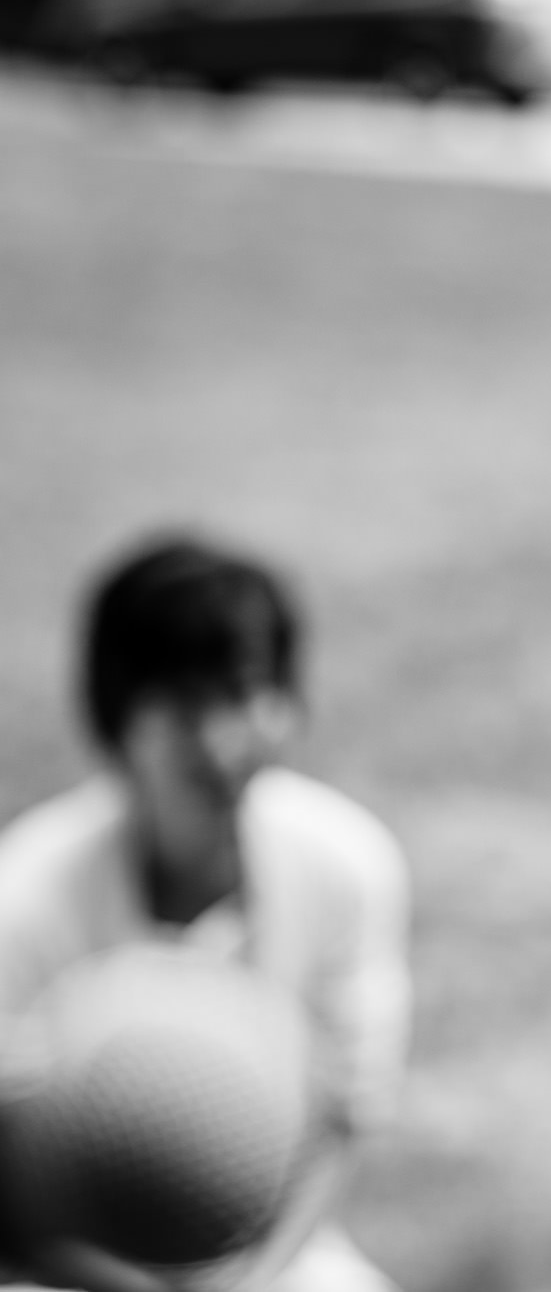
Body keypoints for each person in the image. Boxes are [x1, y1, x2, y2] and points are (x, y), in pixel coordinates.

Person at [0, 535, 409, 1292]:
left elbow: (341, 1119)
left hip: (272, 1257)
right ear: (121, 714)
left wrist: (245, 1283)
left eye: (251, 693)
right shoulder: (24, 891)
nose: (225, 739)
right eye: (189, 705)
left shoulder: (346, 864)